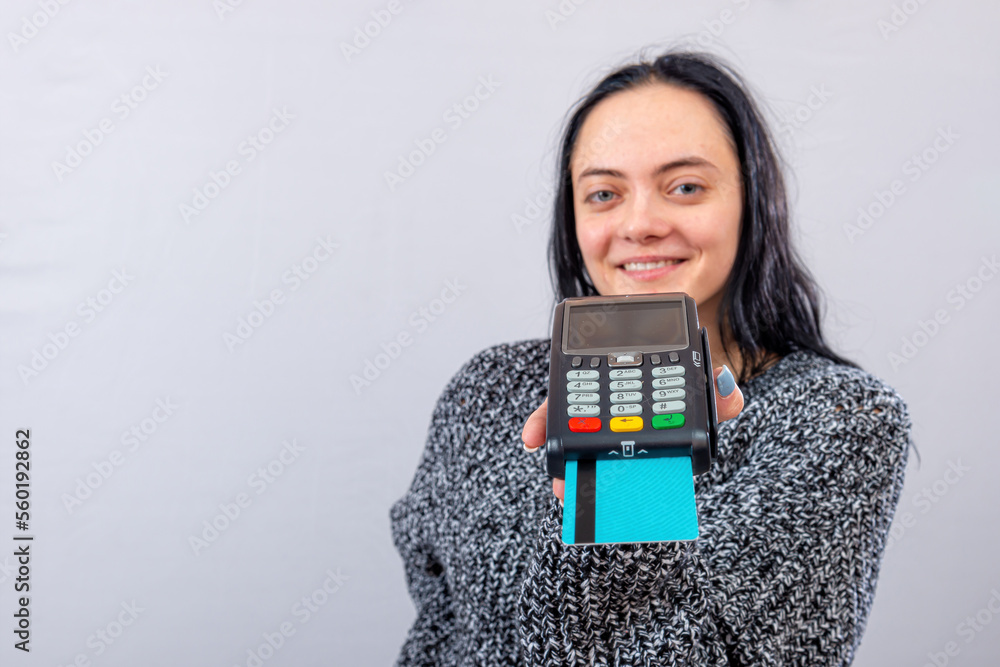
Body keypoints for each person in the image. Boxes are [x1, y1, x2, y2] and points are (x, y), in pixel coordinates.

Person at [391, 50, 912, 666]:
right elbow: (438, 636)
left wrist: (625, 484)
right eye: (604, 193)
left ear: (753, 204)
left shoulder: (840, 418)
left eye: (685, 187)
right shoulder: (489, 389)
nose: (639, 224)